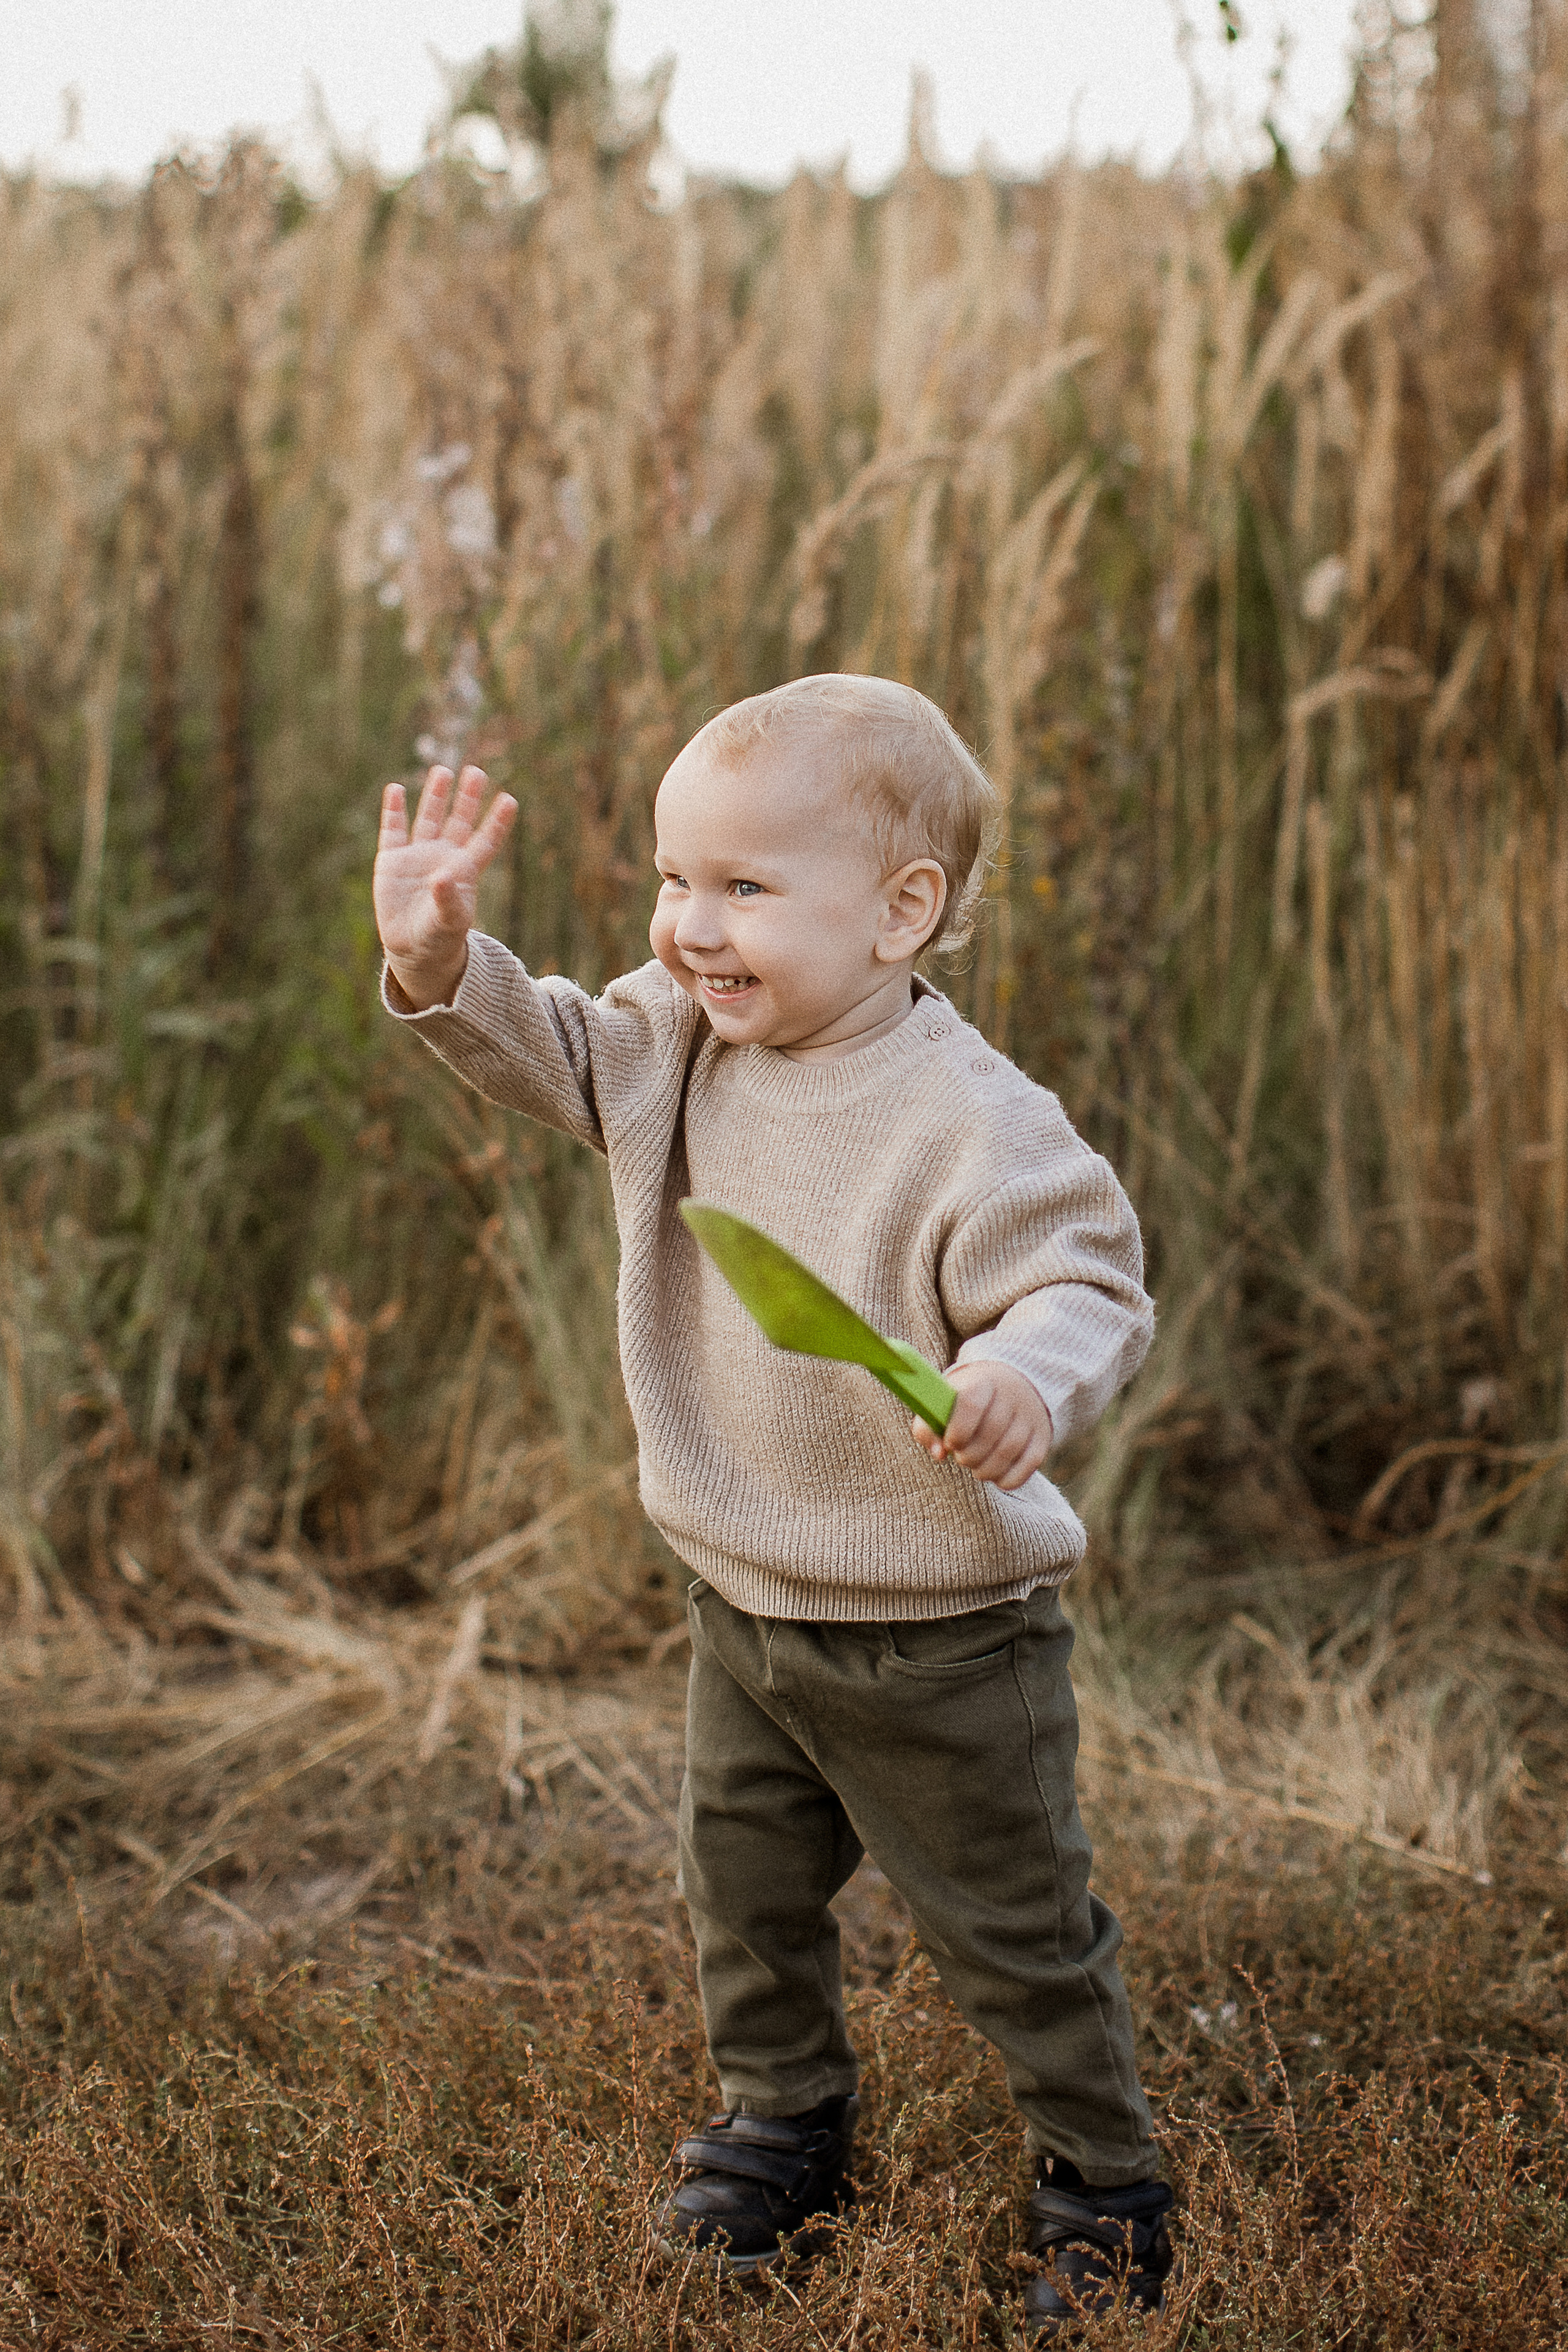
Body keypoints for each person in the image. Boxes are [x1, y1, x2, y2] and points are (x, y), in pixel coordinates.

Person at [372, 674, 1174, 2339]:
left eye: (743, 887)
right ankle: (780, 2120)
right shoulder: (674, 1043)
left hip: (942, 1637)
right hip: (741, 1604)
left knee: (1015, 1929)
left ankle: (1104, 2180)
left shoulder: (971, 1119)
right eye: (675, 879)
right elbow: (549, 1047)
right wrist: (441, 960)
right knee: (740, 1891)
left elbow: (1085, 1276)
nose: (689, 927)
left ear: (902, 911)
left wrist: (1024, 1373)